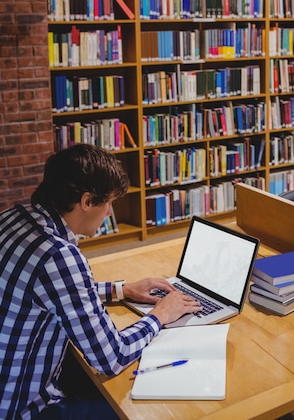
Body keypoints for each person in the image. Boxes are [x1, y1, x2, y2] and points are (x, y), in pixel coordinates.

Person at [0, 144, 201, 420]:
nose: (109, 212)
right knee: (141, 409)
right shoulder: (58, 256)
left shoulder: (15, 217)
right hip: (23, 408)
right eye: (108, 203)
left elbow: (54, 291)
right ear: (86, 201)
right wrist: (160, 315)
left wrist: (123, 290)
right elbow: (111, 357)